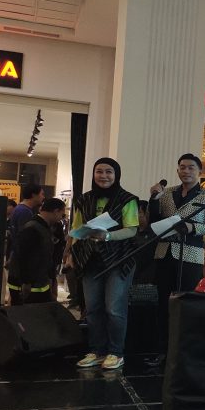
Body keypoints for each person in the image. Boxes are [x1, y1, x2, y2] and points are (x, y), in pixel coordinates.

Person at [147, 154, 205, 365]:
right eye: (182, 167)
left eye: (191, 167)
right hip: (164, 253)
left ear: (200, 171)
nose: (186, 171)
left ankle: (184, 351)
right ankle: (163, 349)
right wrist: (153, 199)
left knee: (186, 304)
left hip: (190, 256)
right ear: (177, 170)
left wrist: (193, 227)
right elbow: (154, 220)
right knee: (164, 304)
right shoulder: (166, 193)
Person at [68, 158, 139, 371]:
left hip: (119, 259)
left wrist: (108, 236)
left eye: (109, 172)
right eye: (99, 171)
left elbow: (132, 229)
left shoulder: (127, 199)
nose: (104, 176)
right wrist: (71, 253)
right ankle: (97, 351)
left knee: (114, 309)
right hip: (89, 259)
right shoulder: (83, 200)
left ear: (116, 175)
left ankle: (116, 352)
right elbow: (76, 230)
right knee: (92, 308)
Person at [7, 198, 66, 305]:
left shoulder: (45, 227)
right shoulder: (32, 228)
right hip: (26, 285)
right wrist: (26, 281)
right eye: (62, 214)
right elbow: (23, 256)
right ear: (56, 211)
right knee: (26, 313)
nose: (61, 218)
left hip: (38, 281)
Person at [8, 183, 45, 256]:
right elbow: (24, 236)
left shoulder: (21, 209)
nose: (43, 197)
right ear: (34, 195)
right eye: (42, 194)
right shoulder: (24, 211)